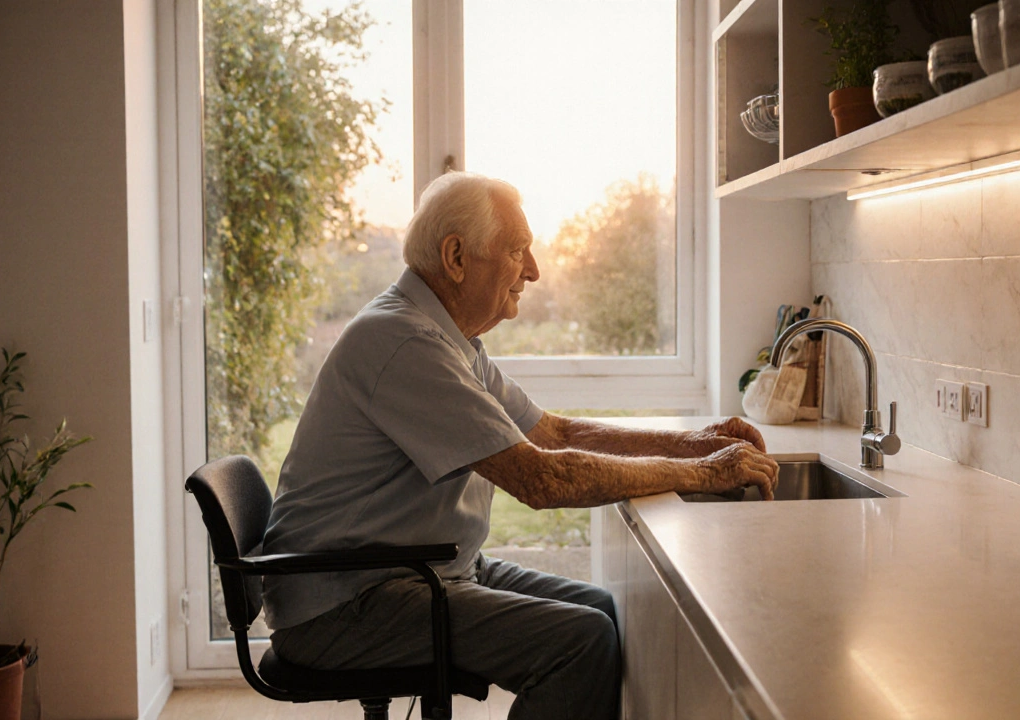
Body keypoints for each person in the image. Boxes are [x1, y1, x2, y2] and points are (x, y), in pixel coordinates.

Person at [260, 171, 779, 720]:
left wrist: (695, 446)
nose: (533, 271)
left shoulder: (448, 337)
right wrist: (703, 474)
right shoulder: (406, 342)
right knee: (580, 641)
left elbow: (554, 434)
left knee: (598, 608)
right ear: (456, 257)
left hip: (416, 574)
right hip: (347, 604)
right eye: (517, 250)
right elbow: (542, 478)